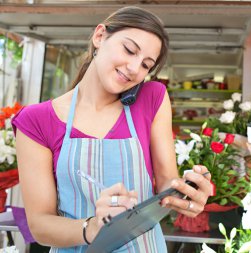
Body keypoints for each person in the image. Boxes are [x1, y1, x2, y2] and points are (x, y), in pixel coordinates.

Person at [12, 6, 211, 252]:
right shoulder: (36, 120)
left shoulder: (152, 98)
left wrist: (187, 193)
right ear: (100, 36)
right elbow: (40, 225)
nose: (134, 68)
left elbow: (166, 183)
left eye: (146, 65)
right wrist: (92, 227)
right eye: (129, 50)